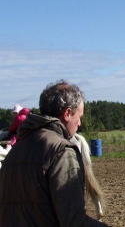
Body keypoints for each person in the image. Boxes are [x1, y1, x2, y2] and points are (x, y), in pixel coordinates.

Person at [0, 80, 109, 227]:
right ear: (67, 113)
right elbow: (75, 222)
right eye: (79, 117)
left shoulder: (15, 151)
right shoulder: (61, 152)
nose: (79, 124)